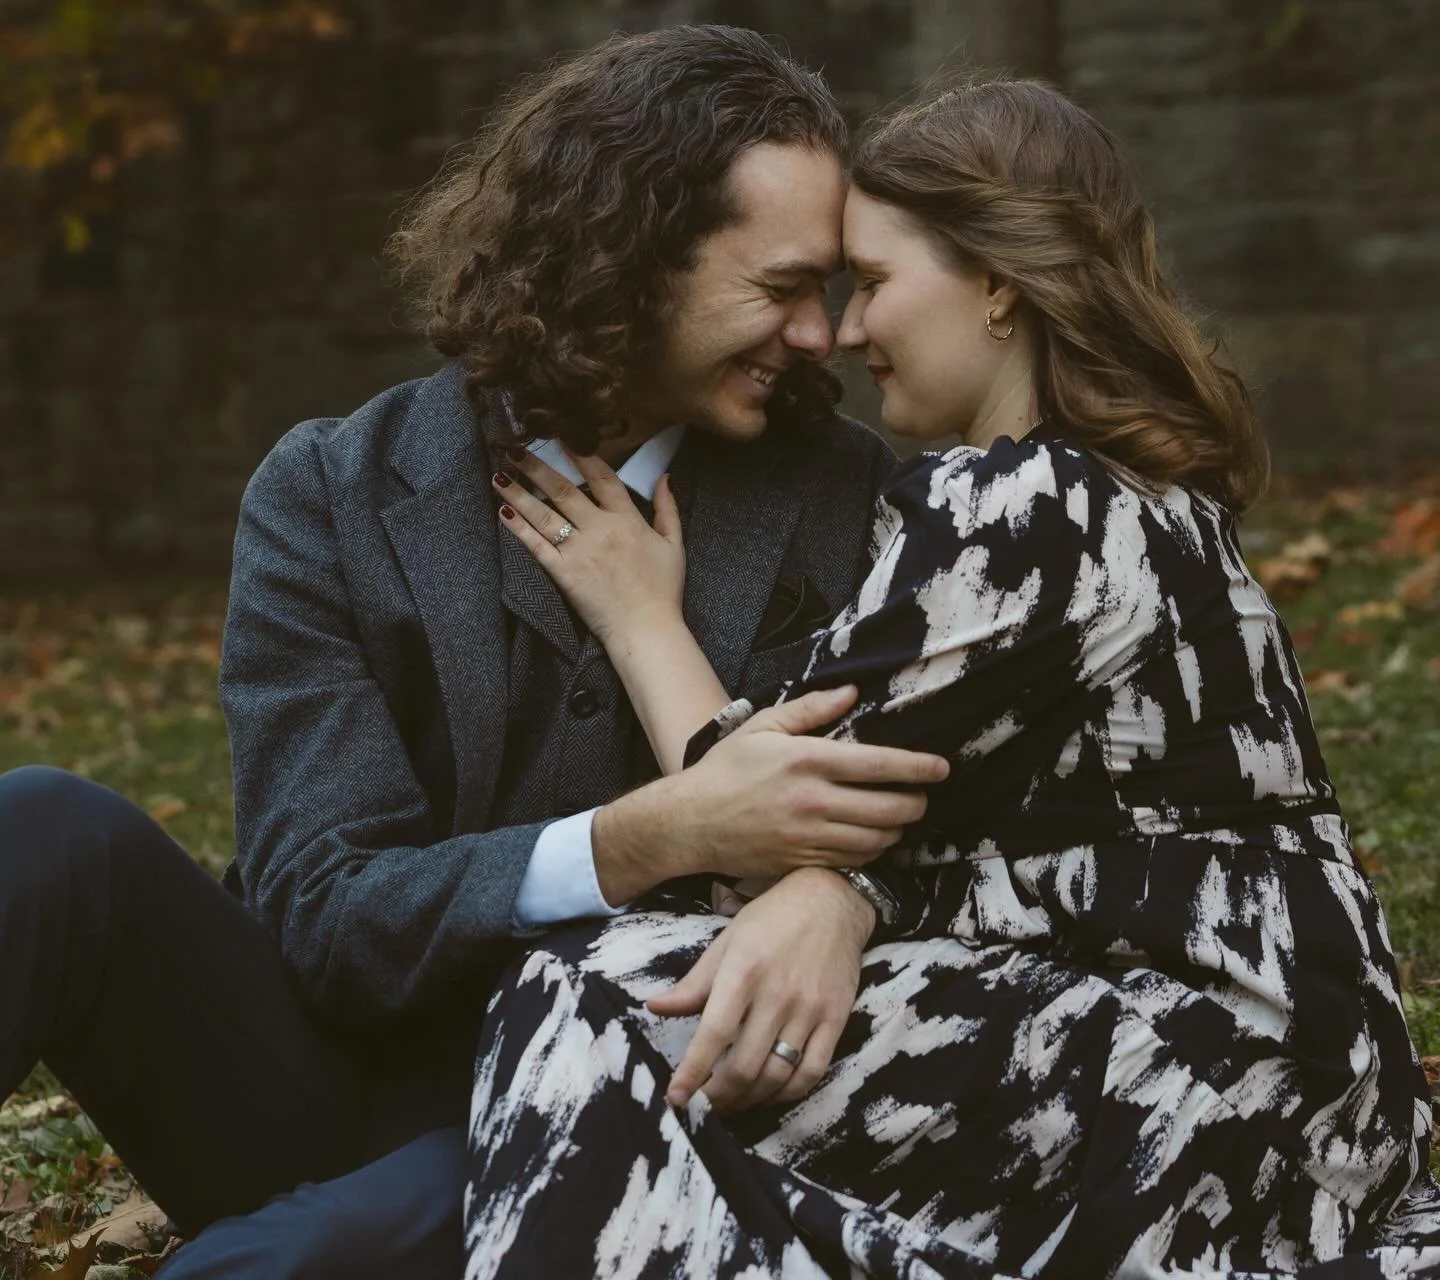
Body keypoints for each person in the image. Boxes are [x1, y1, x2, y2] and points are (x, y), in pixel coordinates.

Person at [0, 25, 947, 1277]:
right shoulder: (332, 493)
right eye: (779, 289)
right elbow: (324, 914)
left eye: (826, 290)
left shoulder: (847, 498)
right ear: (630, 261)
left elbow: (926, 830)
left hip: (623, 1108)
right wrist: (641, 837)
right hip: (318, 1081)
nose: (820, 335)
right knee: (48, 827)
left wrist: (835, 886)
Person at [458, 78, 1440, 1278]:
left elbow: (761, 810)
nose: (847, 332)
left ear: (997, 283)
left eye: (870, 283)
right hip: (1318, 1092)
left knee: (600, 989)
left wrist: (634, 611)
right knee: (698, 1003)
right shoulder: (1150, 501)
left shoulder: (1025, 503)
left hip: (1207, 1086)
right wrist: (851, 897)